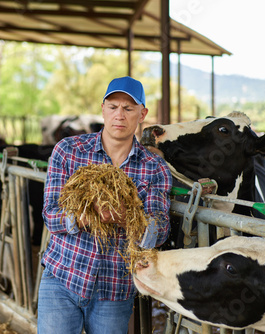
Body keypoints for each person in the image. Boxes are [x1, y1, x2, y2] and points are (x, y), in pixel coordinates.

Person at [37, 76, 172, 334]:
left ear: (142, 114)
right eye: (113, 107)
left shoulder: (154, 168)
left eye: (128, 108)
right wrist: (85, 216)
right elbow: (50, 215)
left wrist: (126, 218)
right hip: (62, 279)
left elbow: (160, 230)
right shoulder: (68, 151)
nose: (119, 115)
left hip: (114, 288)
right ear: (103, 109)